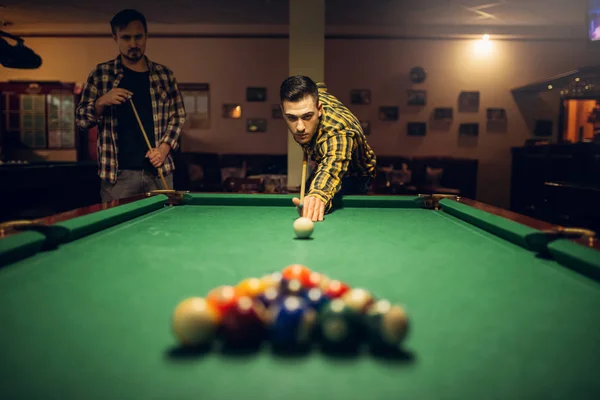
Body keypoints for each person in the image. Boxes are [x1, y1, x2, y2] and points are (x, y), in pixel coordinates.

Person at [75, 9, 186, 202]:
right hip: (117, 176)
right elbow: (82, 120)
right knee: (117, 228)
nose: (133, 44)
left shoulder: (164, 75)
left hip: (158, 171)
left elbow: (178, 116)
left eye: (138, 37)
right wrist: (102, 101)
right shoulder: (101, 74)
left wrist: (164, 149)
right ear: (115, 37)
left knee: (163, 229)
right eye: (126, 37)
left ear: (146, 36)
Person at [279, 75, 377, 222]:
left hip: (356, 175)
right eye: (292, 118)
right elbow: (320, 87)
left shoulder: (338, 132)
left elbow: (332, 166)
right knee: (307, 194)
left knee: (317, 198)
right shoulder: (313, 95)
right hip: (321, 160)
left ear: (319, 109)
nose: (299, 127)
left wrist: (318, 194)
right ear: (283, 112)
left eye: (307, 116)